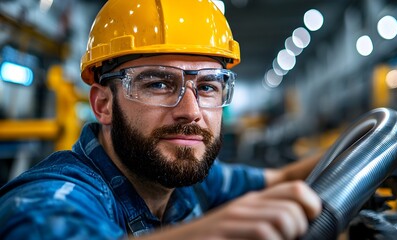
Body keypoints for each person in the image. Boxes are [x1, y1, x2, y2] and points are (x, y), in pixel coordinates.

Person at [0, 0, 322, 239]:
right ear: (103, 104)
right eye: (159, 83)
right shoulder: (59, 193)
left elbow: (282, 180)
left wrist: (368, 148)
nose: (191, 111)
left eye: (208, 86)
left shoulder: (190, 181)